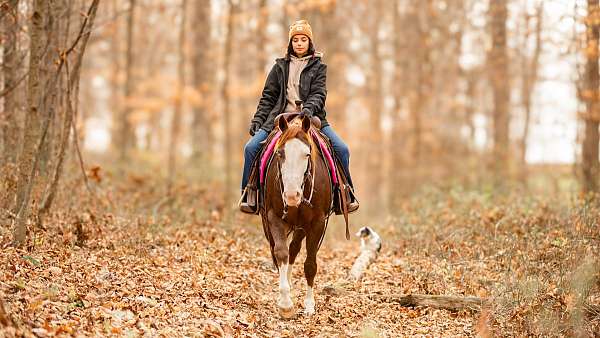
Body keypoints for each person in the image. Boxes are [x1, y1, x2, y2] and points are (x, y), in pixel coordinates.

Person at [239, 19, 358, 214]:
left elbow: (319, 94)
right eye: (296, 40)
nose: (300, 43)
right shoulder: (279, 67)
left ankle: (344, 193)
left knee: (342, 150)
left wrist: (308, 110)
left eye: (303, 39)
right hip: (280, 120)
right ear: (290, 43)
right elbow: (268, 97)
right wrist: (258, 120)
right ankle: (249, 193)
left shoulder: (319, 68)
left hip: (310, 118)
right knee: (251, 148)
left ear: (309, 42)